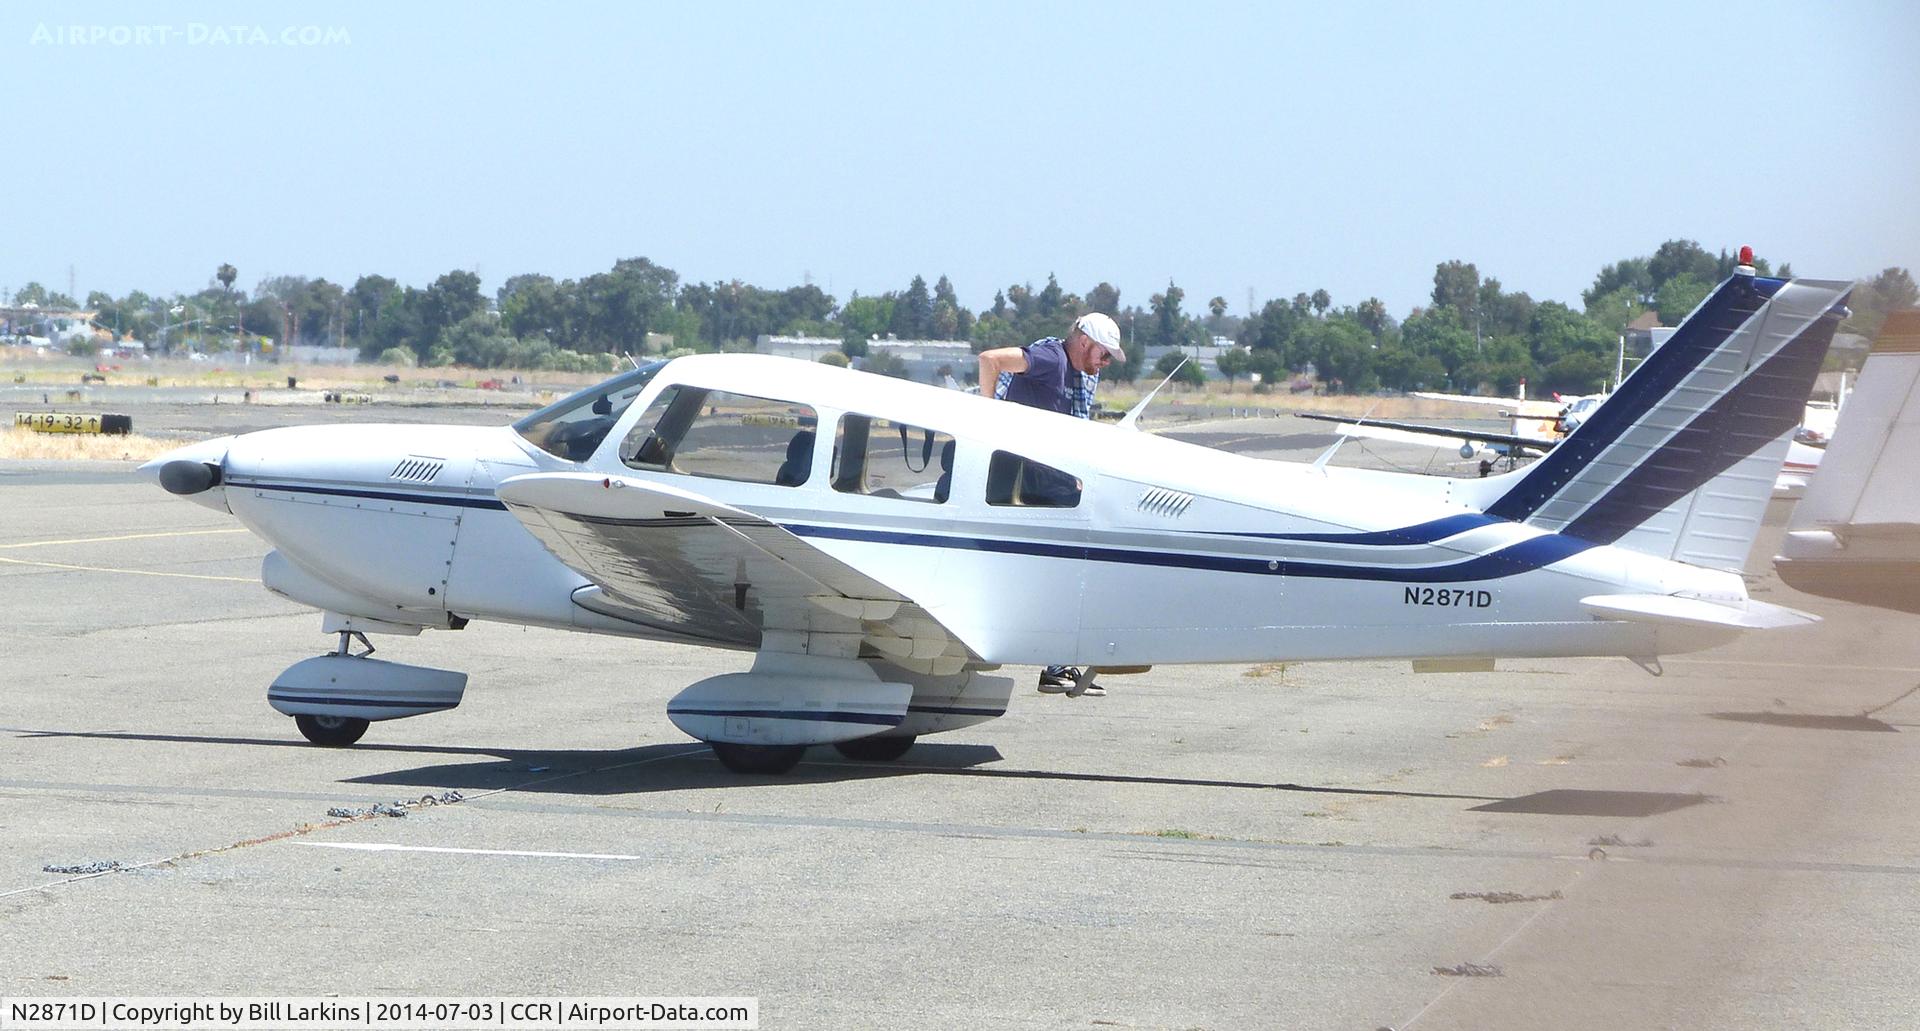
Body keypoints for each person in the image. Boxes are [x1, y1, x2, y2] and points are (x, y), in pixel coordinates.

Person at [975, 312, 1125, 697]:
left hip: (1048, 481)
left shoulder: (1076, 374)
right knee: (1075, 566)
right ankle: (1057, 665)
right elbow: (990, 360)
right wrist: (985, 419)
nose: (1103, 364)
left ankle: (1057, 665)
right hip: (1031, 481)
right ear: (1084, 342)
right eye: (1103, 355)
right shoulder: (1050, 359)